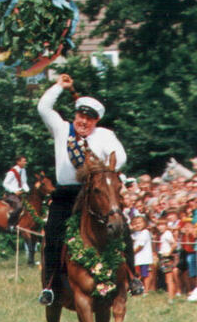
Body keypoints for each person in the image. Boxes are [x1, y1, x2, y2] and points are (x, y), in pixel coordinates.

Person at [36, 73, 140, 305]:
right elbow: (43, 108)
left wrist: (98, 170)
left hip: (94, 193)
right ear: (75, 115)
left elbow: (119, 157)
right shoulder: (62, 130)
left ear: (96, 121)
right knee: (53, 235)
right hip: (66, 195)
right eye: (81, 116)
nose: (83, 122)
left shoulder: (105, 135)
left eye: (89, 119)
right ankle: (50, 286)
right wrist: (59, 86)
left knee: (121, 227)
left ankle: (133, 277)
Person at [3, 155, 30, 229]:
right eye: (24, 161)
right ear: (18, 162)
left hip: (20, 193)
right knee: (19, 206)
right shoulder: (12, 172)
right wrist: (14, 191)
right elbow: (5, 183)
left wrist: (28, 191)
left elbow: (24, 182)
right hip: (11, 194)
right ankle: (10, 223)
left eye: (25, 161)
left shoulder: (23, 170)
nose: (25, 162)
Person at [131, 215, 153, 292]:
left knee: (145, 274)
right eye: (135, 223)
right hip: (137, 259)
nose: (137, 225)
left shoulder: (145, 232)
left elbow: (140, 246)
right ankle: (137, 289)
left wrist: (131, 253)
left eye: (139, 223)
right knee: (137, 274)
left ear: (145, 223)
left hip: (144, 258)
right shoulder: (135, 233)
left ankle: (146, 290)